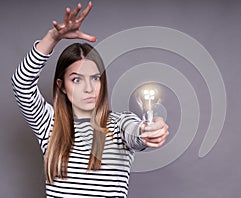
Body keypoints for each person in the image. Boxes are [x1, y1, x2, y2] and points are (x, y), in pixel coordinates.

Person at [11, 2, 169, 197]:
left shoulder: (120, 124)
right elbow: (21, 84)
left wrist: (148, 130)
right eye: (77, 79)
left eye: (95, 78)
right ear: (61, 85)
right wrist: (53, 37)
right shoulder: (49, 124)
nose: (88, 88)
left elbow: (136, 133)